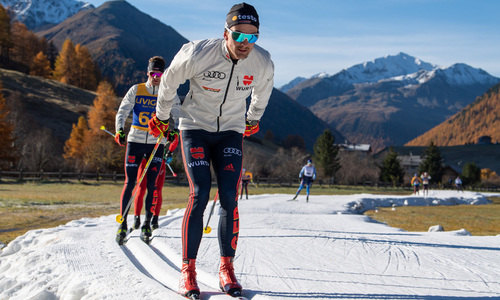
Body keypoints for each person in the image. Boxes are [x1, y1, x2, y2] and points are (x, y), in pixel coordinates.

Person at [147, 3, 274, 298]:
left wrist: (253, 118)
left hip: (231, 131)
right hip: (195, 128)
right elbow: (168, 82)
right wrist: (163, 116)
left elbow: (263, 91)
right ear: (225, 32)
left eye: (252, 37)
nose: (246, 44)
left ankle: (226, 268)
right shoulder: (197, 53)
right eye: (239, 36)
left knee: (229, 195)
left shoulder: (262, 62)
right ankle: (188, 271)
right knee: (200, 192)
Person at [114, 56, 169, 245]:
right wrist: (119, 130)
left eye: (160, 74)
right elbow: (122, 111)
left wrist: (174, 130)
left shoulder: (166, 91)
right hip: (135, 141)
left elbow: (176, 112)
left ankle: (146, 223)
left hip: (156, 143)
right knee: (130, 183)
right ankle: (123, 224)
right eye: (153, 73)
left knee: (153, 185)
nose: (156, 77)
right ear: (148, 72)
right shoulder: (136, 89)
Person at [132, 129, 179, 230]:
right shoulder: (146, 126)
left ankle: (155, 219)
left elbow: (175, 138)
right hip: (144, 161)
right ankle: (137, 218)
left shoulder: (164, 127)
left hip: (159, 162)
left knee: (156, 189)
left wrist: (170, 152)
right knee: (141, 188)